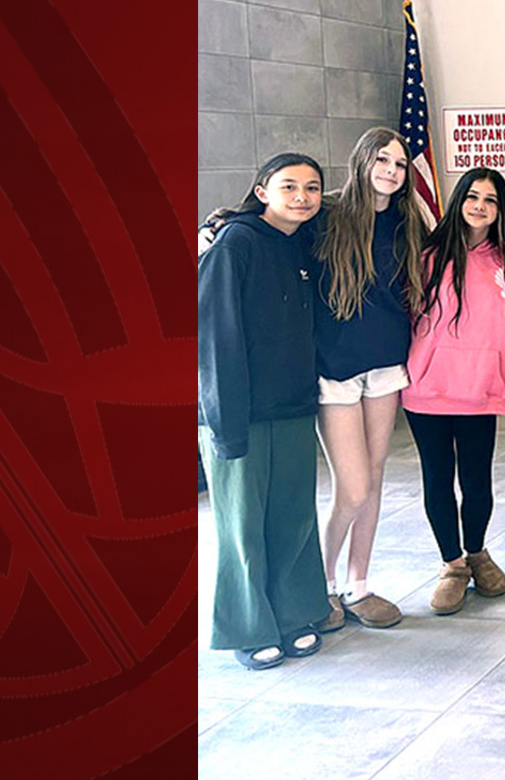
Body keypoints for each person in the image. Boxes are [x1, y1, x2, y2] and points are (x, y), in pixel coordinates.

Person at [200, 153, 331, 670]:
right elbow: (215, 337)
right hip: (241, 410)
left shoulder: (304, 241)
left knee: (293, 516)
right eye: (289, 186)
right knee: (242, 523)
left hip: (293, 405)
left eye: (312, 188)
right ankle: (248, 626)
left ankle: (296, 613)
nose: (302, 197)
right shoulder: (235, 244)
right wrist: (223, 419)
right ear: (261, 192)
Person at [310, 127, 435, 631]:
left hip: (386, 365)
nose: (391, 170)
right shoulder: (327, 215)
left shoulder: (408, 222)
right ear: (362, 161)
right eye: (382, 160)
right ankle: (319, 586)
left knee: (375, 477)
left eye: (400, 164)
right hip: (335, 370)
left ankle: (357, 584)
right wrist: (219, 224)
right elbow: (271, 219)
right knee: (354, 487)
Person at [404, 168, 505, 615]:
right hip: (428, 388)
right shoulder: (427, 256)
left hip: (481, 389)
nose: (480, 206)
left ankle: (477, 552)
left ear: (500, 209)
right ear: (458, 201)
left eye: (491, 200)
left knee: (476, 480)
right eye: (472, 197)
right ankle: (452, 565)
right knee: (438, 477)